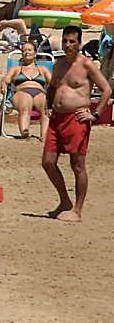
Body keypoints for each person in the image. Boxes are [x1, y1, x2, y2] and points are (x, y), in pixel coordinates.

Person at [43, 25, 110, 222]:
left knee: (77, 165)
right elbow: (52, 86)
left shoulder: (86, 64)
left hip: (77, 119)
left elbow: (106, 89)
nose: (68, 45)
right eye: (65, 41)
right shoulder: (58, 63)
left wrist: (95, 115)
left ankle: (77, 210)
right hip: (57, 119)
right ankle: (65, 201)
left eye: (72, 41)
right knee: (48, 162)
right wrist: (48, 103)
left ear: (79, 43)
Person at [2, 41, 53, 140]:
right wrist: (3, 86)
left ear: (35, 54)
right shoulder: (16, 69)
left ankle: (44, 136)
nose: (26, 52)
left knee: (46, 108)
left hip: (39, 92)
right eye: (24, 50)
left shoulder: (43, 69)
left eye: (29, 50)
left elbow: (53, 82)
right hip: (22, 92)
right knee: (26, 104)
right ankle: (25, 132)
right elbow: (5, 80)